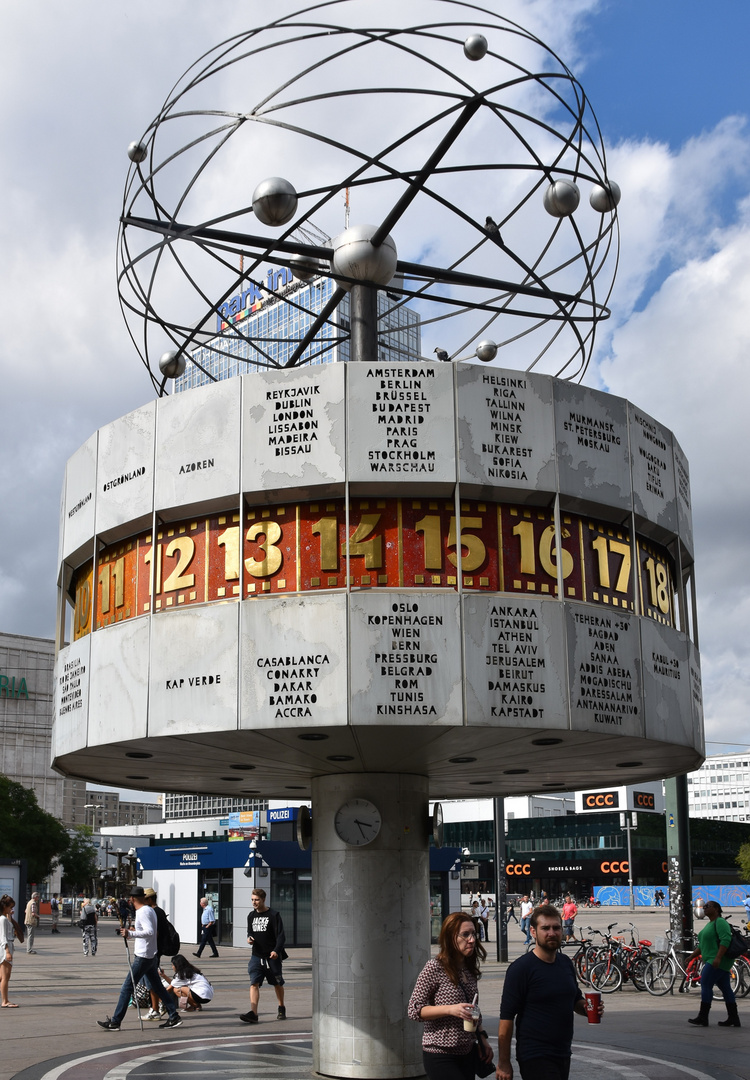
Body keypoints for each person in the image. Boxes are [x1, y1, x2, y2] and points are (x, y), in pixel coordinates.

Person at [497, 904, 598, 1080]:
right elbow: (506, 1019)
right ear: (533, 931)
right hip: (535, 1054)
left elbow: (575, 1000)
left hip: (563, 1052)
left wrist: (588, 1008)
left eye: (556, 928)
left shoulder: (566, 963)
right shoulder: (521, 969)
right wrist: (504, 1063)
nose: (552, 933)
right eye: (545, 928)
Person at [408, 911, 494, 1080]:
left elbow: (473, 1008)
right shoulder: (434, 967)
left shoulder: (469, 969)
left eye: (473, 934)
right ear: (450, 937)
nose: (472, 939)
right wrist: (450, 1009)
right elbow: (413, 1010)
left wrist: (482, 1037)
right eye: (465, 934)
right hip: (440, 1053)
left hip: (467, 1051)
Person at [96, 885, 182, 1031]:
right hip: (150, 955)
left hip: (144, 957)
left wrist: (131, 934)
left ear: (132, 899)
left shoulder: (143, 912)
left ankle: (116, 1021)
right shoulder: (150, 910)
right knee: (158, 987)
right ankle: (174, 1016)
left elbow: (149, 932)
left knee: (127, 987)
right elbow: (148, 931)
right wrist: (132, 932)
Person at [687, 899, 741, 1028]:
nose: (704, 908)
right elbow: (702, 945)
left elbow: (726, 940)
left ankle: (703, 1017)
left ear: (716, 909)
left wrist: (718, 958)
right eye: (704, 906)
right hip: (716, 961)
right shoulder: (710, 924)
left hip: (716, 961)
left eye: (707, 906)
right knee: (726, 988)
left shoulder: (720, 922)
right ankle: (734, 1018)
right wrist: (691, 956)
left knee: (705, 984)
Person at [240, 888, 287, 1023]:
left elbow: (281, 936)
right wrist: (249, 938)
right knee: (254, 983)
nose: (254, 902)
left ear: (263, 900)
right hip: (256, 956)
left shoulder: (273, 915)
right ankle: (253, 1013)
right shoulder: (251, 915)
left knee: (277, 983)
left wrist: (276, 951)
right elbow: (250, 932)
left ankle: (281, 1007)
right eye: (252, 900)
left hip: (272, 957)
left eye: (257, 900)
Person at [0, 896, 18, 1007]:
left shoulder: (4, 918)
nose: (11, 909)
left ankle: (5, 1000)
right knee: (5, 977)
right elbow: (3, 937)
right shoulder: (2, 919)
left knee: (3, 977)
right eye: (10, 907)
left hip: (6, 947)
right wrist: (7, 951)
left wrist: (9, 915)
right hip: (4, 948)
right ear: (5, 907)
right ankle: (5, 1001)